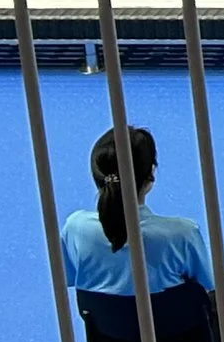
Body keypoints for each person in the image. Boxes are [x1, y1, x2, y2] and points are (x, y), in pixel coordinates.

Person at [61, 126, 215, 302]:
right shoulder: (183, 234)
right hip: (176, 328)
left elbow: (70, 275)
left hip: (107, 329)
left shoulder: (75, 227)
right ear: (151, 174)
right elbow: (209, 286)